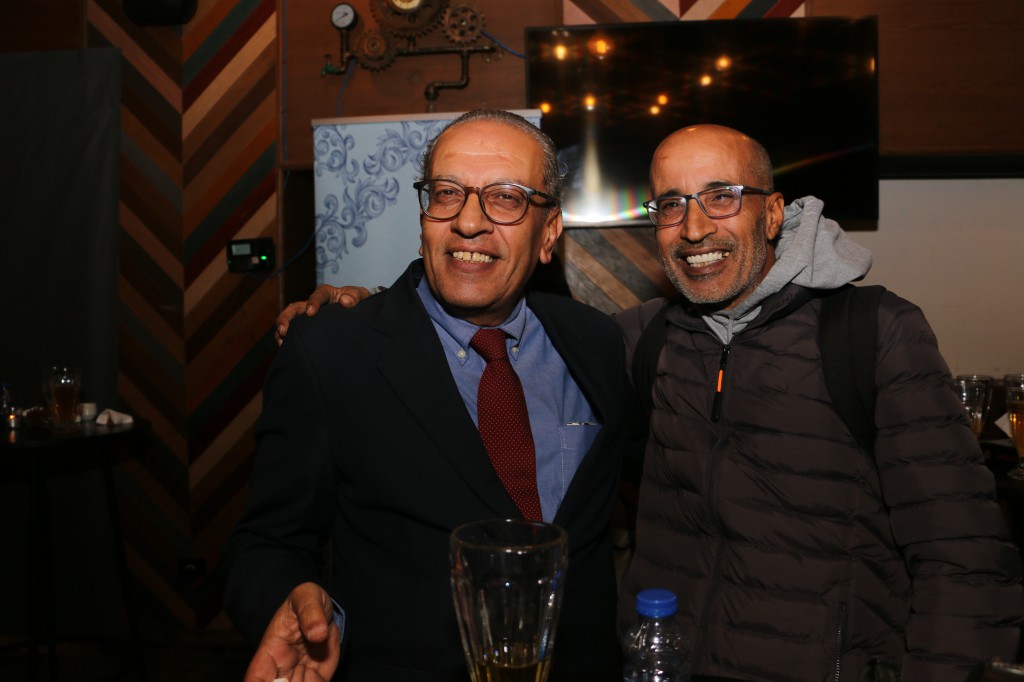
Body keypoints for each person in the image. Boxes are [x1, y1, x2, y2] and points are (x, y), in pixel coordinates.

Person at [279, 123, 1024, 682]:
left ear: (773, 213)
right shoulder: (637, 342)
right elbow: (438, 343)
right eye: (671, 204)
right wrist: (364, 308)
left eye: (721, 197)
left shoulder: (874, 334)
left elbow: (965, 559)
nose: (695, 227)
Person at [224, 109, 630, 681]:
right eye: (447, 193)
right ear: (424, 217)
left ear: (549, 233)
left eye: (506, 198)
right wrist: (288, 603)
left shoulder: (598, 344)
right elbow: (268, 541)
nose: (469, 221)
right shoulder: (332, 353)